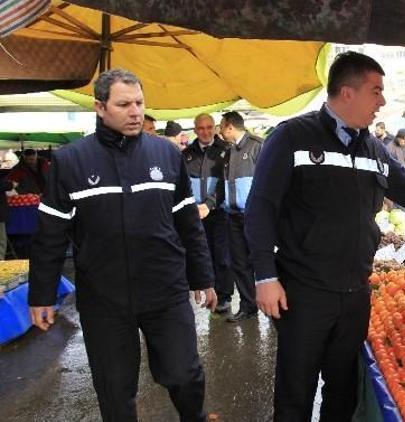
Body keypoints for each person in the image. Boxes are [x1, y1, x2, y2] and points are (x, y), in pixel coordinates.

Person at [244, 51, 405, 422]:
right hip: (304, 291)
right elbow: (260, 208)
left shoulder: (374, 149)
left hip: (355, 293)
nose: (382, 102)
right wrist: (265, 276)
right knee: (294, 394)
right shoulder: (292, 137)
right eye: (376, 91)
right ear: (346, 92)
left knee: (343, 392)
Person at [27, 68, 216, 422]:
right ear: (100, 107)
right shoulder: (70, 160)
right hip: (104, 297)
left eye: (140, 103)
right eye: (124, 104)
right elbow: (49, 234)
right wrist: (41, 294)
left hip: (165, 289)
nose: (135, 112)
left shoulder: (167, 154)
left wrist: (203, 277)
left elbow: (188, 223)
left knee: (183, 374)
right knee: (114, 390)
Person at [183, 113, 232, 314]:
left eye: (209, 127)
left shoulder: (227, 151)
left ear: (215, 128)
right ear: (195, 130)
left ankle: (224, 296)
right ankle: (207, 290)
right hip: (195, 215)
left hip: (219, 212)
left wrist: (209, 204)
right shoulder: (186, 154)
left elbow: (225, 183)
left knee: (222, 256)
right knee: (201, 254)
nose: (205, 131)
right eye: (201, 128)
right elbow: (182, 185)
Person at [219, 111, 264, 322]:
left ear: (229, 126)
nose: (219, 130)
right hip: (233, 217)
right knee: (240, 263)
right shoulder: (227, 152)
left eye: (221, 125)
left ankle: (277, 305)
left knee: (263, 260)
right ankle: (248, 306)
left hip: (255, 217)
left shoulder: (257, 145)